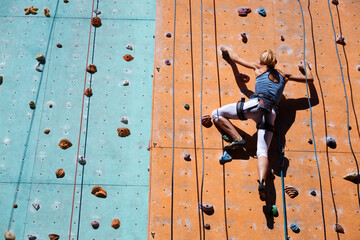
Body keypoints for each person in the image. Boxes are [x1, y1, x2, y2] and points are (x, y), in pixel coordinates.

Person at [212, 47, 314, 201]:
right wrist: (306, 68)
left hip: (255, 104)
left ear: (261, 61)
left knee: (216, 114)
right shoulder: (284, 75)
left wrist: (227, 50)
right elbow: (310, 80)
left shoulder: (258, 68)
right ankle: (263, 181)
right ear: (275, 62)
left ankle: (237, 139)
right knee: (262, 151)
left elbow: (235, 57)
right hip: (271, 112)